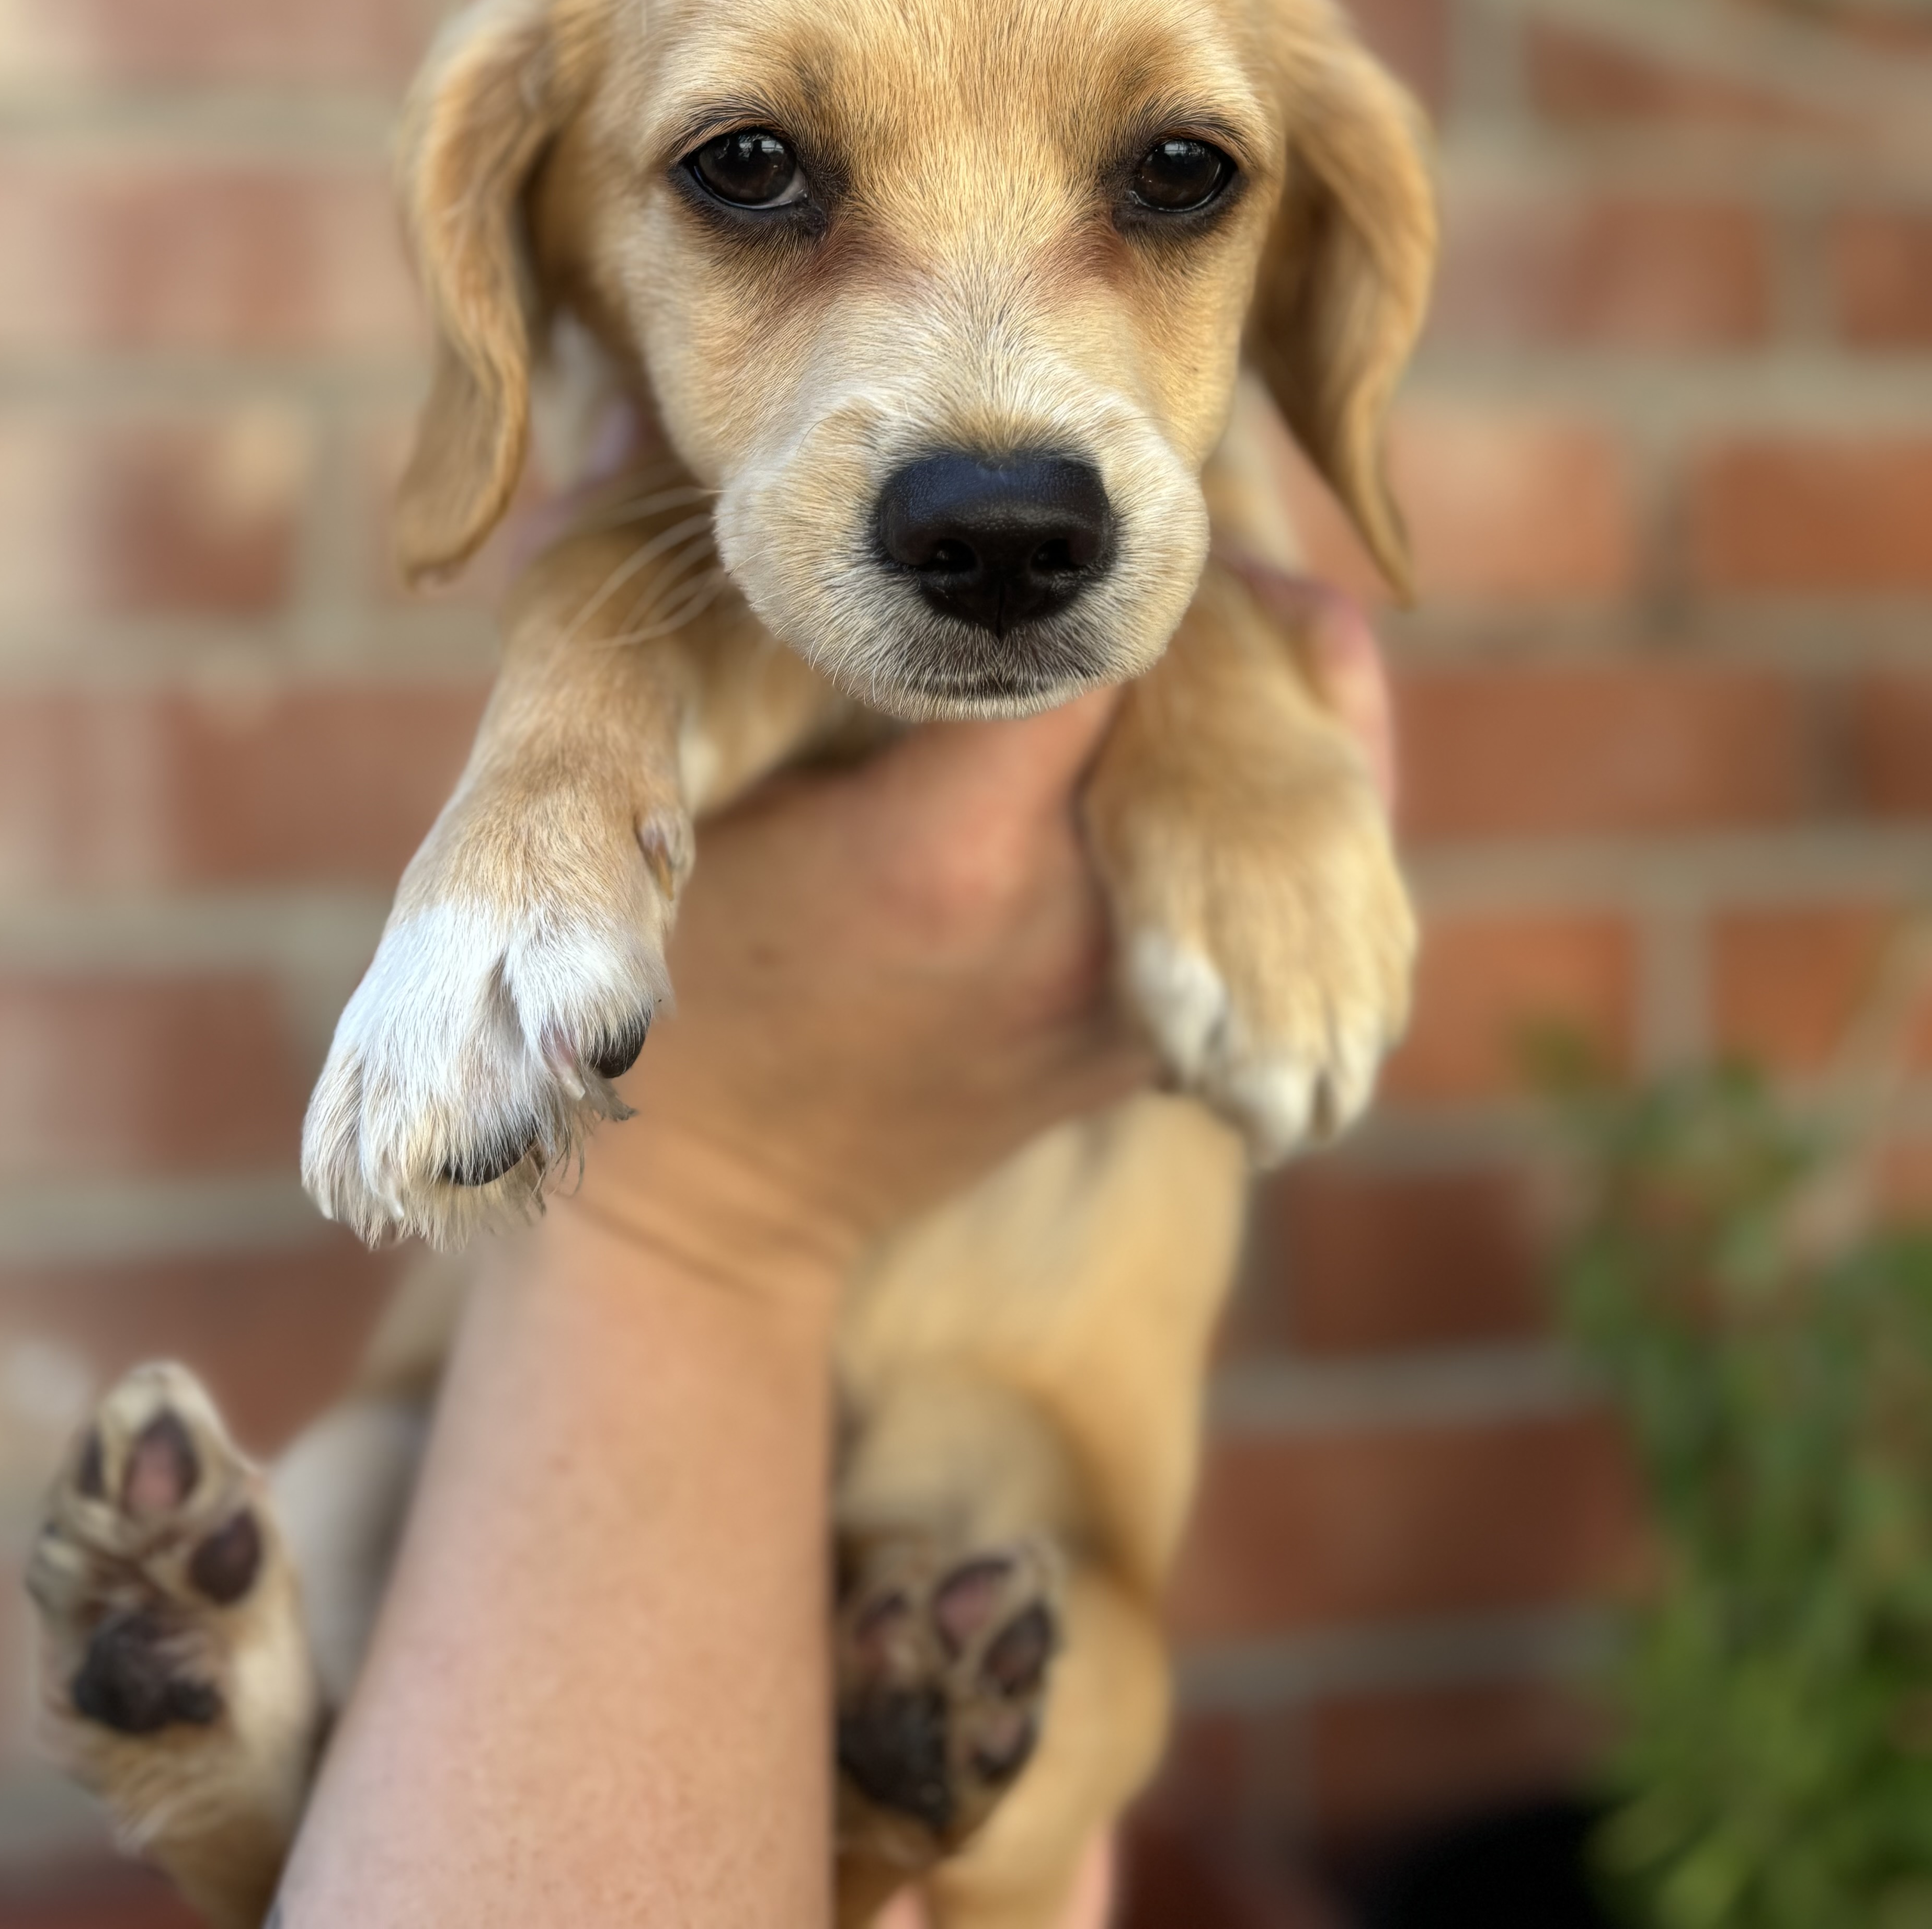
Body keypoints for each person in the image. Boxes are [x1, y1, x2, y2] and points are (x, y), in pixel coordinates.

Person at [276, 584, 1392, 1929]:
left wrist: (1232, 717)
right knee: (338, 1529)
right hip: (605, 1563)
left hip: (1005, 1525)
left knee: (1069, 1702)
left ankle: (885, 1822)